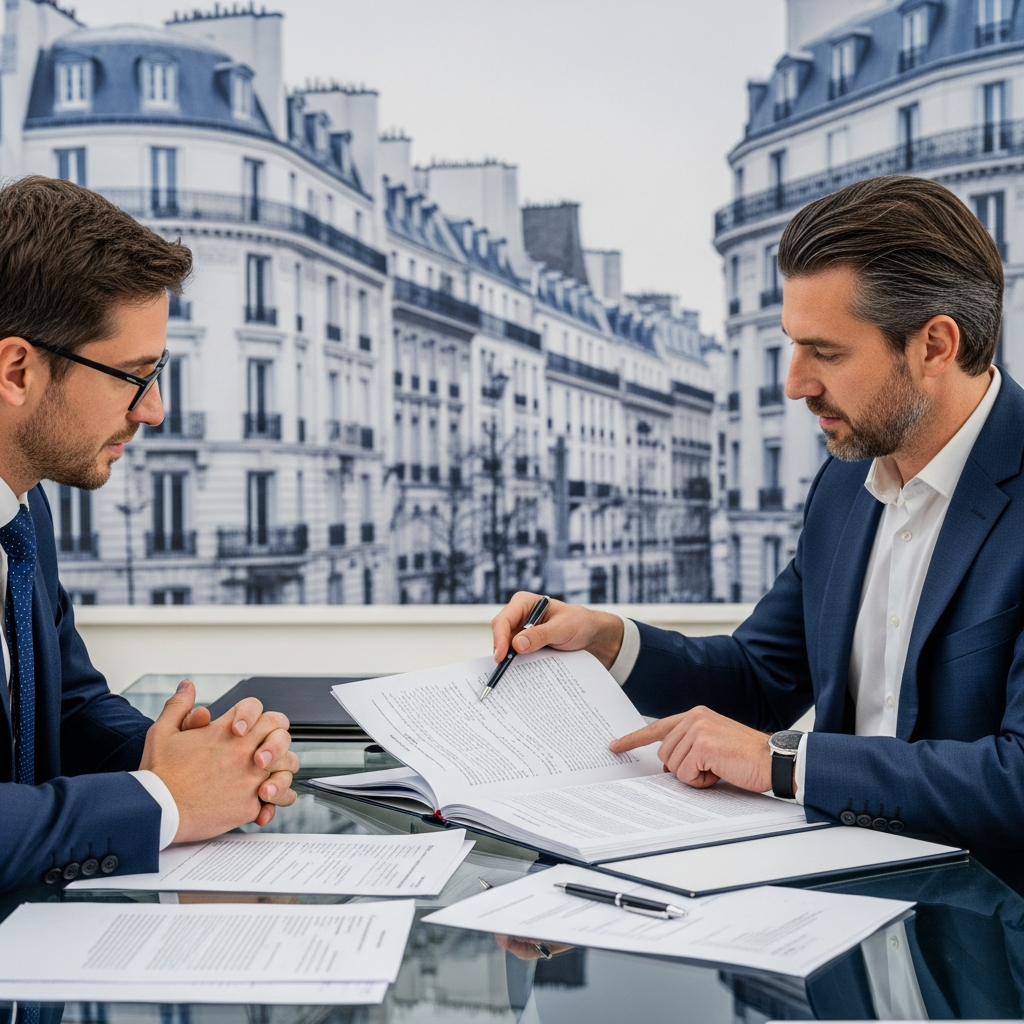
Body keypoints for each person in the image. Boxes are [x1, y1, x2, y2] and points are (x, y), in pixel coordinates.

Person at [492, 174, 1024, 892]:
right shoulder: (845, 485)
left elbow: (1016, 780)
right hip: (840, 921)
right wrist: (604, 637)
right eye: (791, 346)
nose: (793, 383)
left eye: (826, 353)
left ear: (934, 344)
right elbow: (762, 679)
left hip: (990, 938)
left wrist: (783, 763)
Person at [0, 176, 298, 892]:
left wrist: (197, 760)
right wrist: (164, 802)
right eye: (135, 375)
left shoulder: (23, 509)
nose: (155, 410)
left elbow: (65, 709)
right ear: (17, 370)